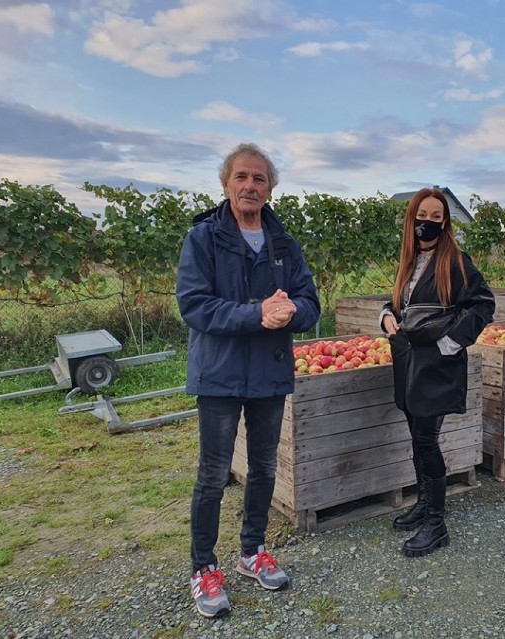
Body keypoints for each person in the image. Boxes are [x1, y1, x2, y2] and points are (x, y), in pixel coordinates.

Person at [176, 143, 320, 618]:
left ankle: (251, 551)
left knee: (263, 468)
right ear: (225, 184)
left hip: (268, 372)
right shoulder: (203, 238)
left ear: (271, 188)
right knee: (214, 474)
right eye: (241, 177)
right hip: (218, 374)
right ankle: (202, 568)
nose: (250, 186)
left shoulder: (284, 244)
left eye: (259, 179)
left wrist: (293, 310)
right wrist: (257, 313)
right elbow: (194, 305)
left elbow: (310, 302)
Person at [380, 187, 495, 557]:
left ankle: (437, 523)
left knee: (427, 440)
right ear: (411, 218)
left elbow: (483, 305)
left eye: (435, 217)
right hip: (410, 362)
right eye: (421, 216)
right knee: (417, 436)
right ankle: (424, 503)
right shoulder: (409, 261)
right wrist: (385, 315)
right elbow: (398, 303)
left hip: (437, 365)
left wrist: (452, 343)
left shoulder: (456, 261)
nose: (426, 223)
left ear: (445, 223)